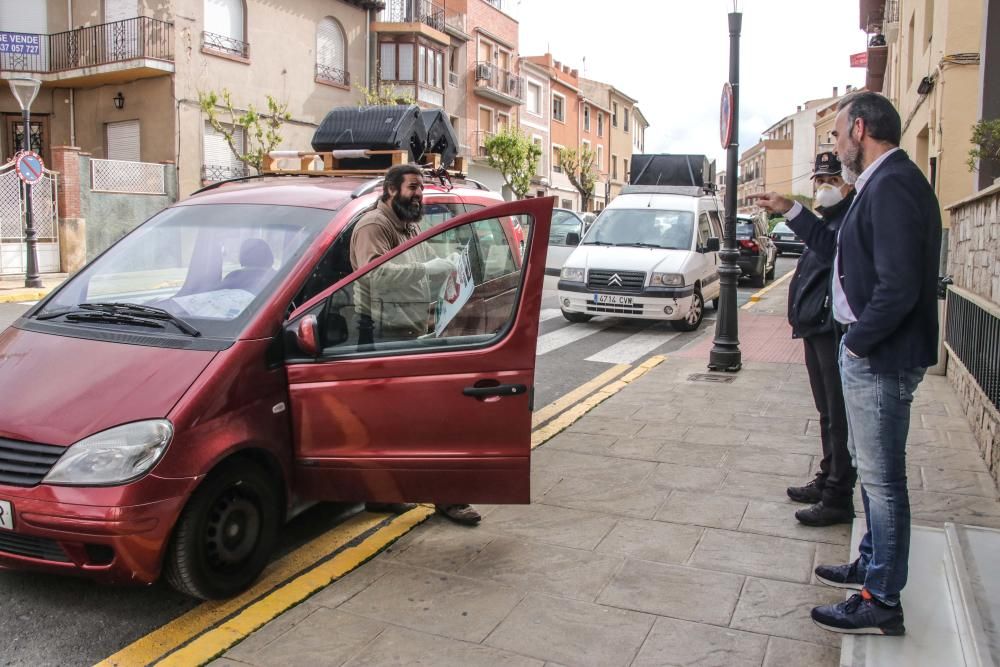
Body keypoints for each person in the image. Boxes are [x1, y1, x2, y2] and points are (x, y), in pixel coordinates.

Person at [753, 91, 942, 636]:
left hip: (880, 358)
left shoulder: (895, 186)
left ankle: (882, 598)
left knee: (884, 483)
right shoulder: (878, 184)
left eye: (837, 135)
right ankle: (869, 563)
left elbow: (900, 287)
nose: (836, 145)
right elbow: (836, 246)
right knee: (871, 474)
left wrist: (856, 344)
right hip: (871, 353)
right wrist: (790, 210)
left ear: (860, 129)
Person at [351, 163, 483, 527]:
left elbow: (417, 274)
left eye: (421, 189)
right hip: (380, 334)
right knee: (427, 421)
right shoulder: (373, 227)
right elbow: (375, 277)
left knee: (394, 423)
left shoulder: (408, 225)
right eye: (412, 188)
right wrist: (432, 269)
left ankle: (383, 496)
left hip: (407, 332)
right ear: (391, 189)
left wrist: (439, 296)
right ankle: (448, 498)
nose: (418, 195)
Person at [784, 152, 858, 528]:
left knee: (838, 415)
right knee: (827, 412)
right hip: (815, 327)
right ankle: (828, 477)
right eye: (819, 179)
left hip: (832, 330)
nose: (824, 186)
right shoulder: (830, 220)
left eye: (832, 179)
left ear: (847, 182)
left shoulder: (849, 219)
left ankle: (837, 495)